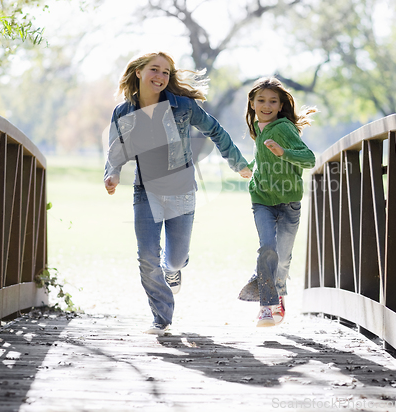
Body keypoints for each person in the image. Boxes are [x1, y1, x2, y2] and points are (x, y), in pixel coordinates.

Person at [104, 51, 252, 335]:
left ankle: (173, 269)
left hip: (181, 188)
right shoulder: (123, 112)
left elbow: (216, 131)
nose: (160, 77)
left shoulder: (183, 106)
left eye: (166, 73)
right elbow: (116, 149)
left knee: (174, 259)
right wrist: (112, 173)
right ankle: (162, 318)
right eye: (154, 70)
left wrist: (237, 163)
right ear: (139, 72)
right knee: (147, 256)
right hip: (145, 190)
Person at [238, 77, 317, 327]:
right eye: (261, 100)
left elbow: (309, 158)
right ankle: (266, 306)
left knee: (282, 258)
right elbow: (263, 157)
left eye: (273, 101)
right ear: (252, 103)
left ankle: (278, 292)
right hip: (261, 199)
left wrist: (285, 153)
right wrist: (250, 167)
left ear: (282, 105)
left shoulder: (283, 128)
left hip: (288, 203)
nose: (267, 105)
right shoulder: (258, 129)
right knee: (267, 248)